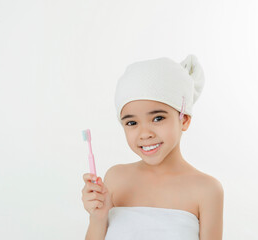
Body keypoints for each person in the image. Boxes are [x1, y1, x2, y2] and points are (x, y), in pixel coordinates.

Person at [81, 54, 224, 240]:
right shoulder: (115, 178)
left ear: (185, 119)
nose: (144, 133)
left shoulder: (207, 190)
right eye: (132, 123)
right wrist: (97, 218)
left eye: (158, 118)